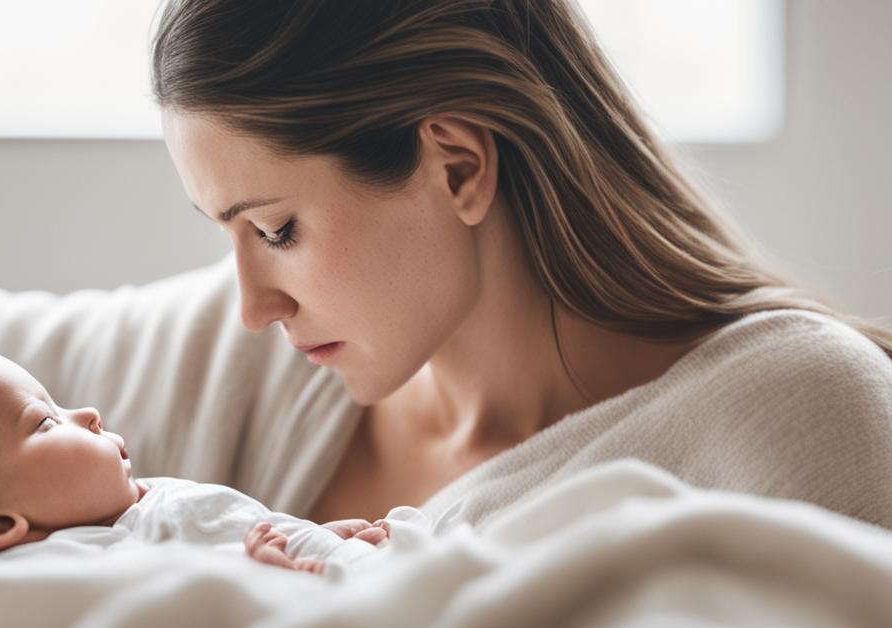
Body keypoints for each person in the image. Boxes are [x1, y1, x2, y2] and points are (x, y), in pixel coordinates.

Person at [150, 0, 892, 529]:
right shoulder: (232, 364)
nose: (251, 308)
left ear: (458, 167)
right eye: (230, 235)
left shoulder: (802, 425)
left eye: (276, 230)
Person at [0, 348, 399, 575]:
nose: (88, 414)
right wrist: (260, 577)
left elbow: (228, 529)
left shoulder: (127, 511)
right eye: (45, 421)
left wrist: (310, 537)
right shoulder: (68, 563)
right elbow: (169, 599)